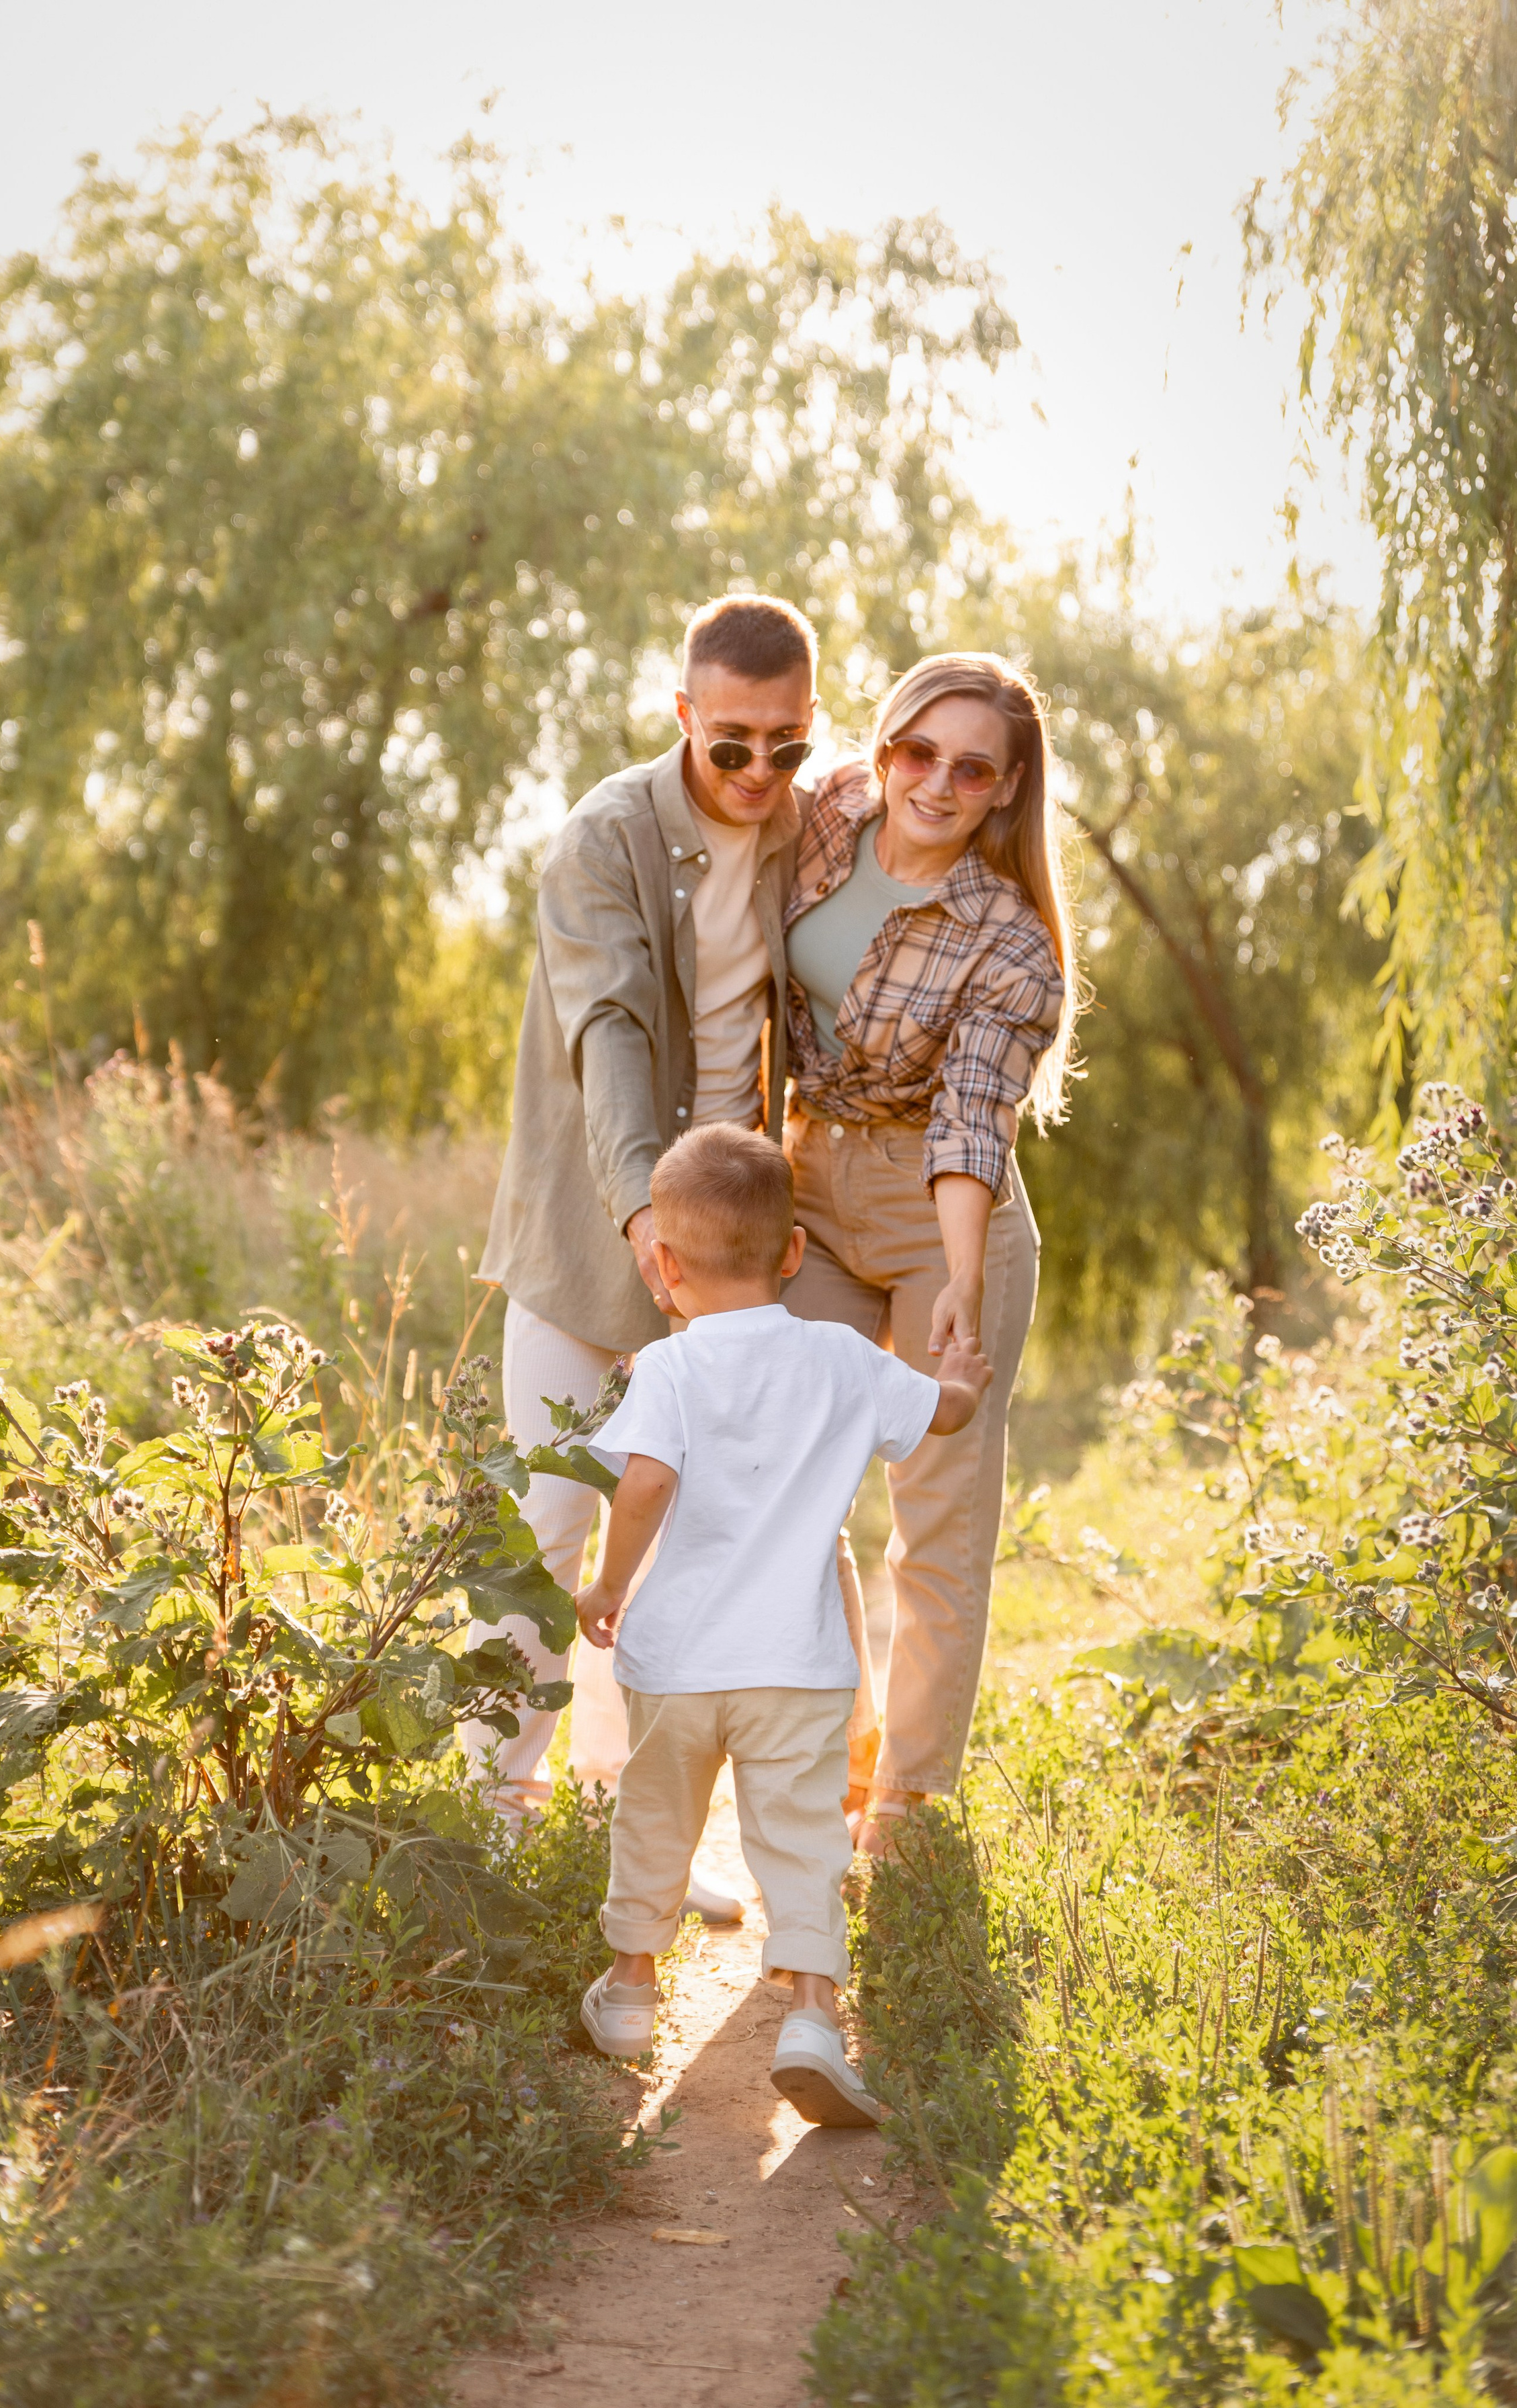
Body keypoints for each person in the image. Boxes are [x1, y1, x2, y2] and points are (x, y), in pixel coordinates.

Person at [471, 594, 826, 1868]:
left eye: (786, 744)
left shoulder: (809, 829)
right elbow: (609, 1035)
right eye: (732, 743)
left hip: (738, 1256)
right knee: (549, 1532)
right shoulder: (605, 837)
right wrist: (642, 1215)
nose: (758, 773)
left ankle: (653, 1846)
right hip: (596, 1231)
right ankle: (497, 1825)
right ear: (685, 715)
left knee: (694, 1555)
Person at [570, 1124, 991, 2122]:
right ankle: (810, 2015)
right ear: (795, 1253)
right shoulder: (844, 1357)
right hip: (798, 1669)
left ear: (663, 1266)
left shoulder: (667, 1369)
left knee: (656, 1819)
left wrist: (606, 1586)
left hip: (675, 1666)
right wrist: (964, 1376)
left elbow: (645, 1483)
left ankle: (630, 1990)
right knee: (803, 1842)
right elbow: (945, 1414)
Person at [781, 652, 1079, 1852]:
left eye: (971, 769)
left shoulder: (1011, 946)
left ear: (1006, 789)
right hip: (809, 1179)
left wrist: (960, 1276)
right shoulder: (830, 810)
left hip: (940, 1203)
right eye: (920, 752)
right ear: (886, 742)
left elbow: (972, 1118)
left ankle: (907, 1804)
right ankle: (842, 1745)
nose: (936, 784)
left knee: (936, 1509)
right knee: (792, 1478)